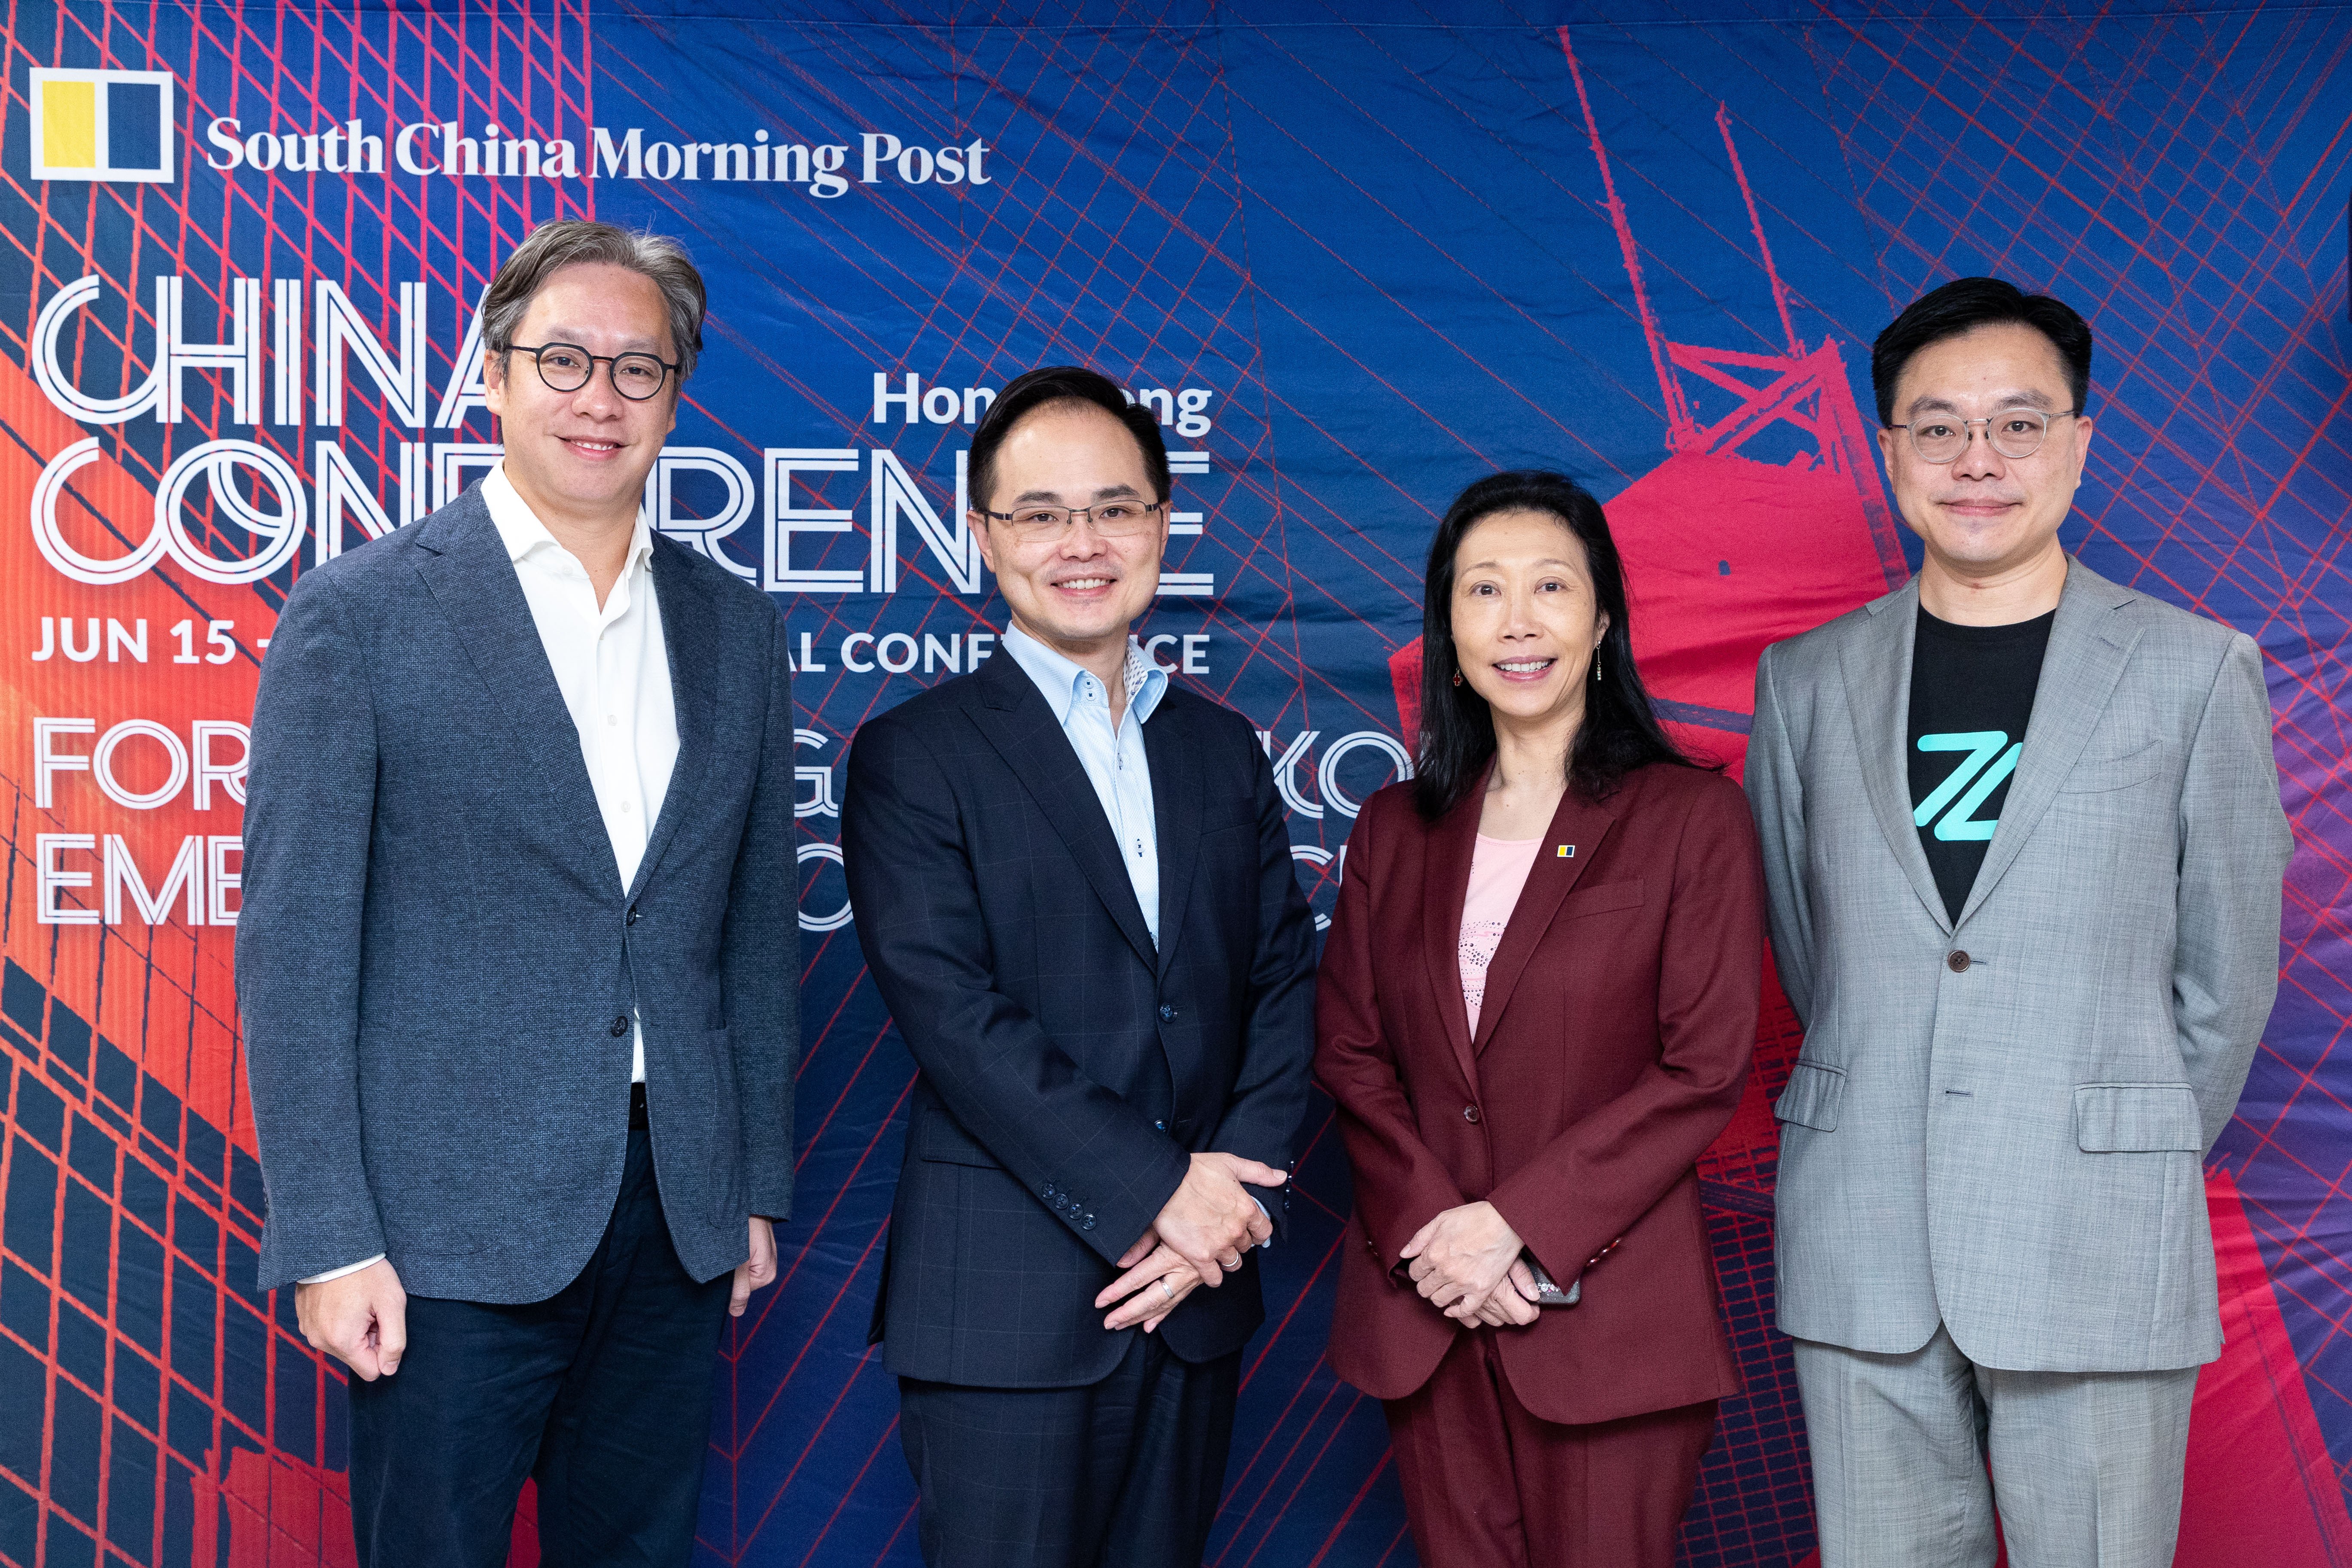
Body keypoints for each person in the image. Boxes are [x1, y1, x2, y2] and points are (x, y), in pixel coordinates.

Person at [238, 219, 800, 1566]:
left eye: (637, 367)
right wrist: (327, 1237)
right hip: (439, 1237)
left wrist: (750, 1182)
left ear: (676, 393)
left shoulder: (736, 627)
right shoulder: (360, 613)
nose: (597, 396)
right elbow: (295, 951)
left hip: (673, 1214)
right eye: (561, 359)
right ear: (491, 376)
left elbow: (750, 933)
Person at [1746, 276, 2294, 1567]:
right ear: (1886, 452)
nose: (1974, 461)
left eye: (2015, 423)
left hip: (2090, 1233)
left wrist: (2118, 1141)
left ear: (2077, 441)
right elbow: (1807, 945)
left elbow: (2225, 975)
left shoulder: (2192, 667)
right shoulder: (1806, 679)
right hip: (1860, 1231)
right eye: (1934, 428)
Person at [840, 365, 1316, 1568]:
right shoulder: (915, 754)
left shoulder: (1220, 749)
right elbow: (955, 1019)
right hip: (1004, 1306)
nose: (1081, 541)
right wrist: (1166, 1193)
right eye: (1040, 513)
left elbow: (1280, 984)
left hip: (1195, 1295)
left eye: (1112, 508)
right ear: (985, 539)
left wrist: (1219, 1209)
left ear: (1160, 525)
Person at [1315, 469, 1764, 1566]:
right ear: (1449, 626)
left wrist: (1514, 1225)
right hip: (1427, 1307)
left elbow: (1703, 1066)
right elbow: (1352, 1052)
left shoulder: (1689, 815)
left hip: (1608, 1319)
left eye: (1551, 586)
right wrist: (1442, 1238)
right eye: (1484, 591)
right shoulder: (1395, 827)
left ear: (1602, 617)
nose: (1518, 621)